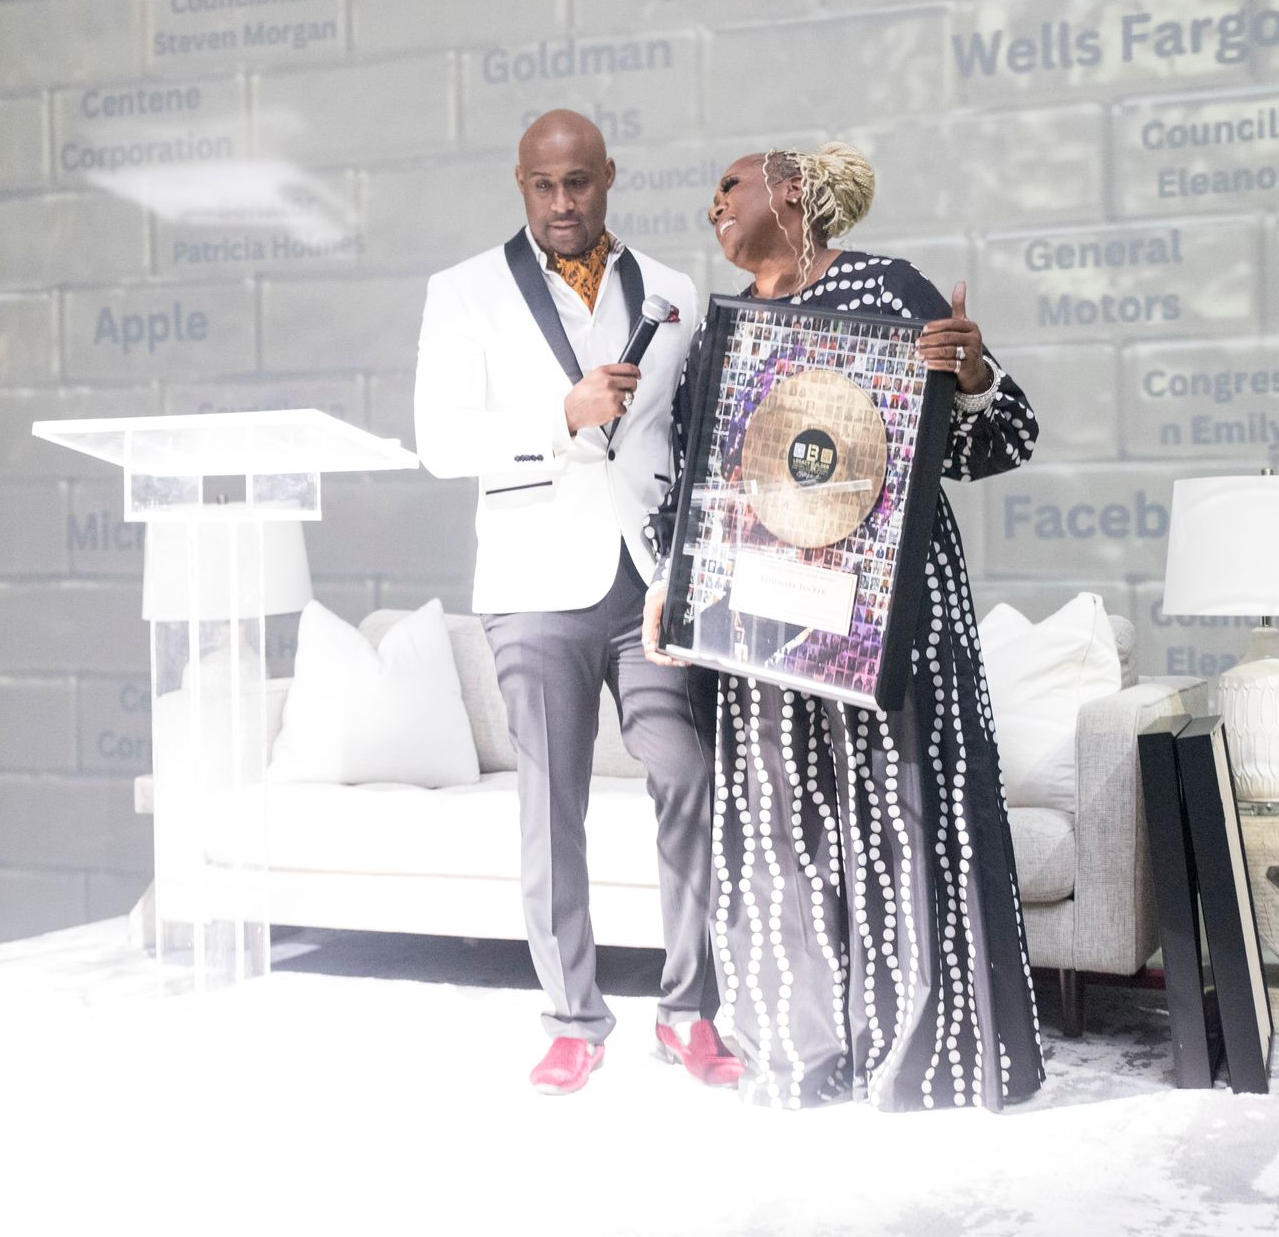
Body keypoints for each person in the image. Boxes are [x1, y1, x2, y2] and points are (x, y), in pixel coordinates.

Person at [642, 143, 1046, 1111]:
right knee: (779, 831)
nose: (712, 206)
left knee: (910, 816)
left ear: (791, 195)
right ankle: (800, 1058)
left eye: (729, 187)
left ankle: (929, 1063)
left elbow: (1001, 440)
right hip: (763, 631)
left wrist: (978, 372)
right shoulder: (721, 329)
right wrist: (670, 581)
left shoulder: (891, 290)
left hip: (889, 621)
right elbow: (697, 480)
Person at [413, 110, 742, 1096]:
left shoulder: (674, 292)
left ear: (609, 178)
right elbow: (439, 441)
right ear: (522, 184)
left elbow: (689, 445)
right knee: (551, 805)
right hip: (532, 582)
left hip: (647, 582)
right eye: (545, 186)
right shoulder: (464, 292)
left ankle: (689, 1012)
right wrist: (561, 414)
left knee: (685, 770)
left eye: (581, 183)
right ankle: (571, 1016)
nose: (564, 203)